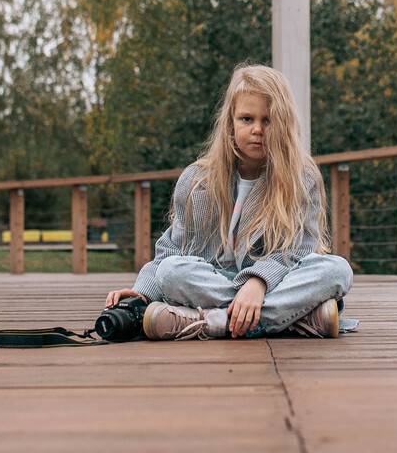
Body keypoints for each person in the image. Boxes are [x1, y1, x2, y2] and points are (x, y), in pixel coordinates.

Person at [103, 63, 354, 340]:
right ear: (230, 123)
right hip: (213, 281)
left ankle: (213, 322)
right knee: (171, 271)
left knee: (336, 270)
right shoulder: (196, 180)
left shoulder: (301, 178)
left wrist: (257, 282)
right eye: (246, 119)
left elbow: (300, 250)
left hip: (274, 281)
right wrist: (141, 293)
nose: (257, 129)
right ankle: (290, 319)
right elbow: (172, 249)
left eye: (268, 120)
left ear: (283, 124)